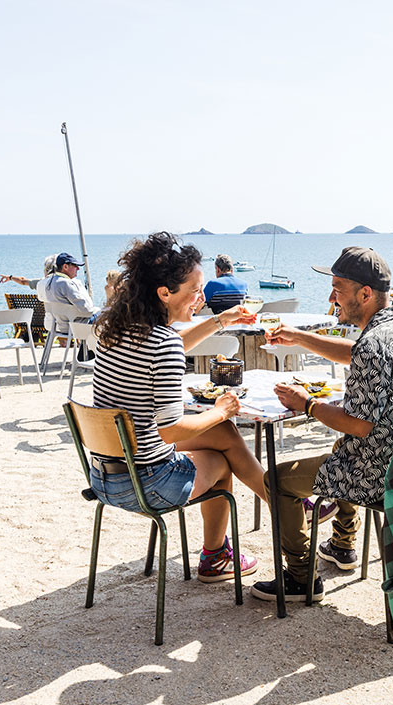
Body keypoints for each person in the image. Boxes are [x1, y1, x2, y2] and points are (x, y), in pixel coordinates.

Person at [252, 246, 393, 602]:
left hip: (383, 474)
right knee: (340, 450)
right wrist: (299, 337)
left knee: (276, 479)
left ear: (365, 294)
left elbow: (357, 425)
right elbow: (356, 353)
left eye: (337, 288)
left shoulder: (374, 345)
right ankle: (342, 543)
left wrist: (305, 404)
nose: (331, 297)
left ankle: (300, 578)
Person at [91, 232, 267, 581]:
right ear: (164, 293)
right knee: (220, 458)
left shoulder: (114, 328)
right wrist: (221, 408)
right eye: (195, 291)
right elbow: (170, 430)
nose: (201, 299)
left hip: (105, 475)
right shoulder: (163, 345)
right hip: (144, 483)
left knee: (223, 433)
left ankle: (283, 508)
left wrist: (221, 320)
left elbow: (170, 344)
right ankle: (225, 550)